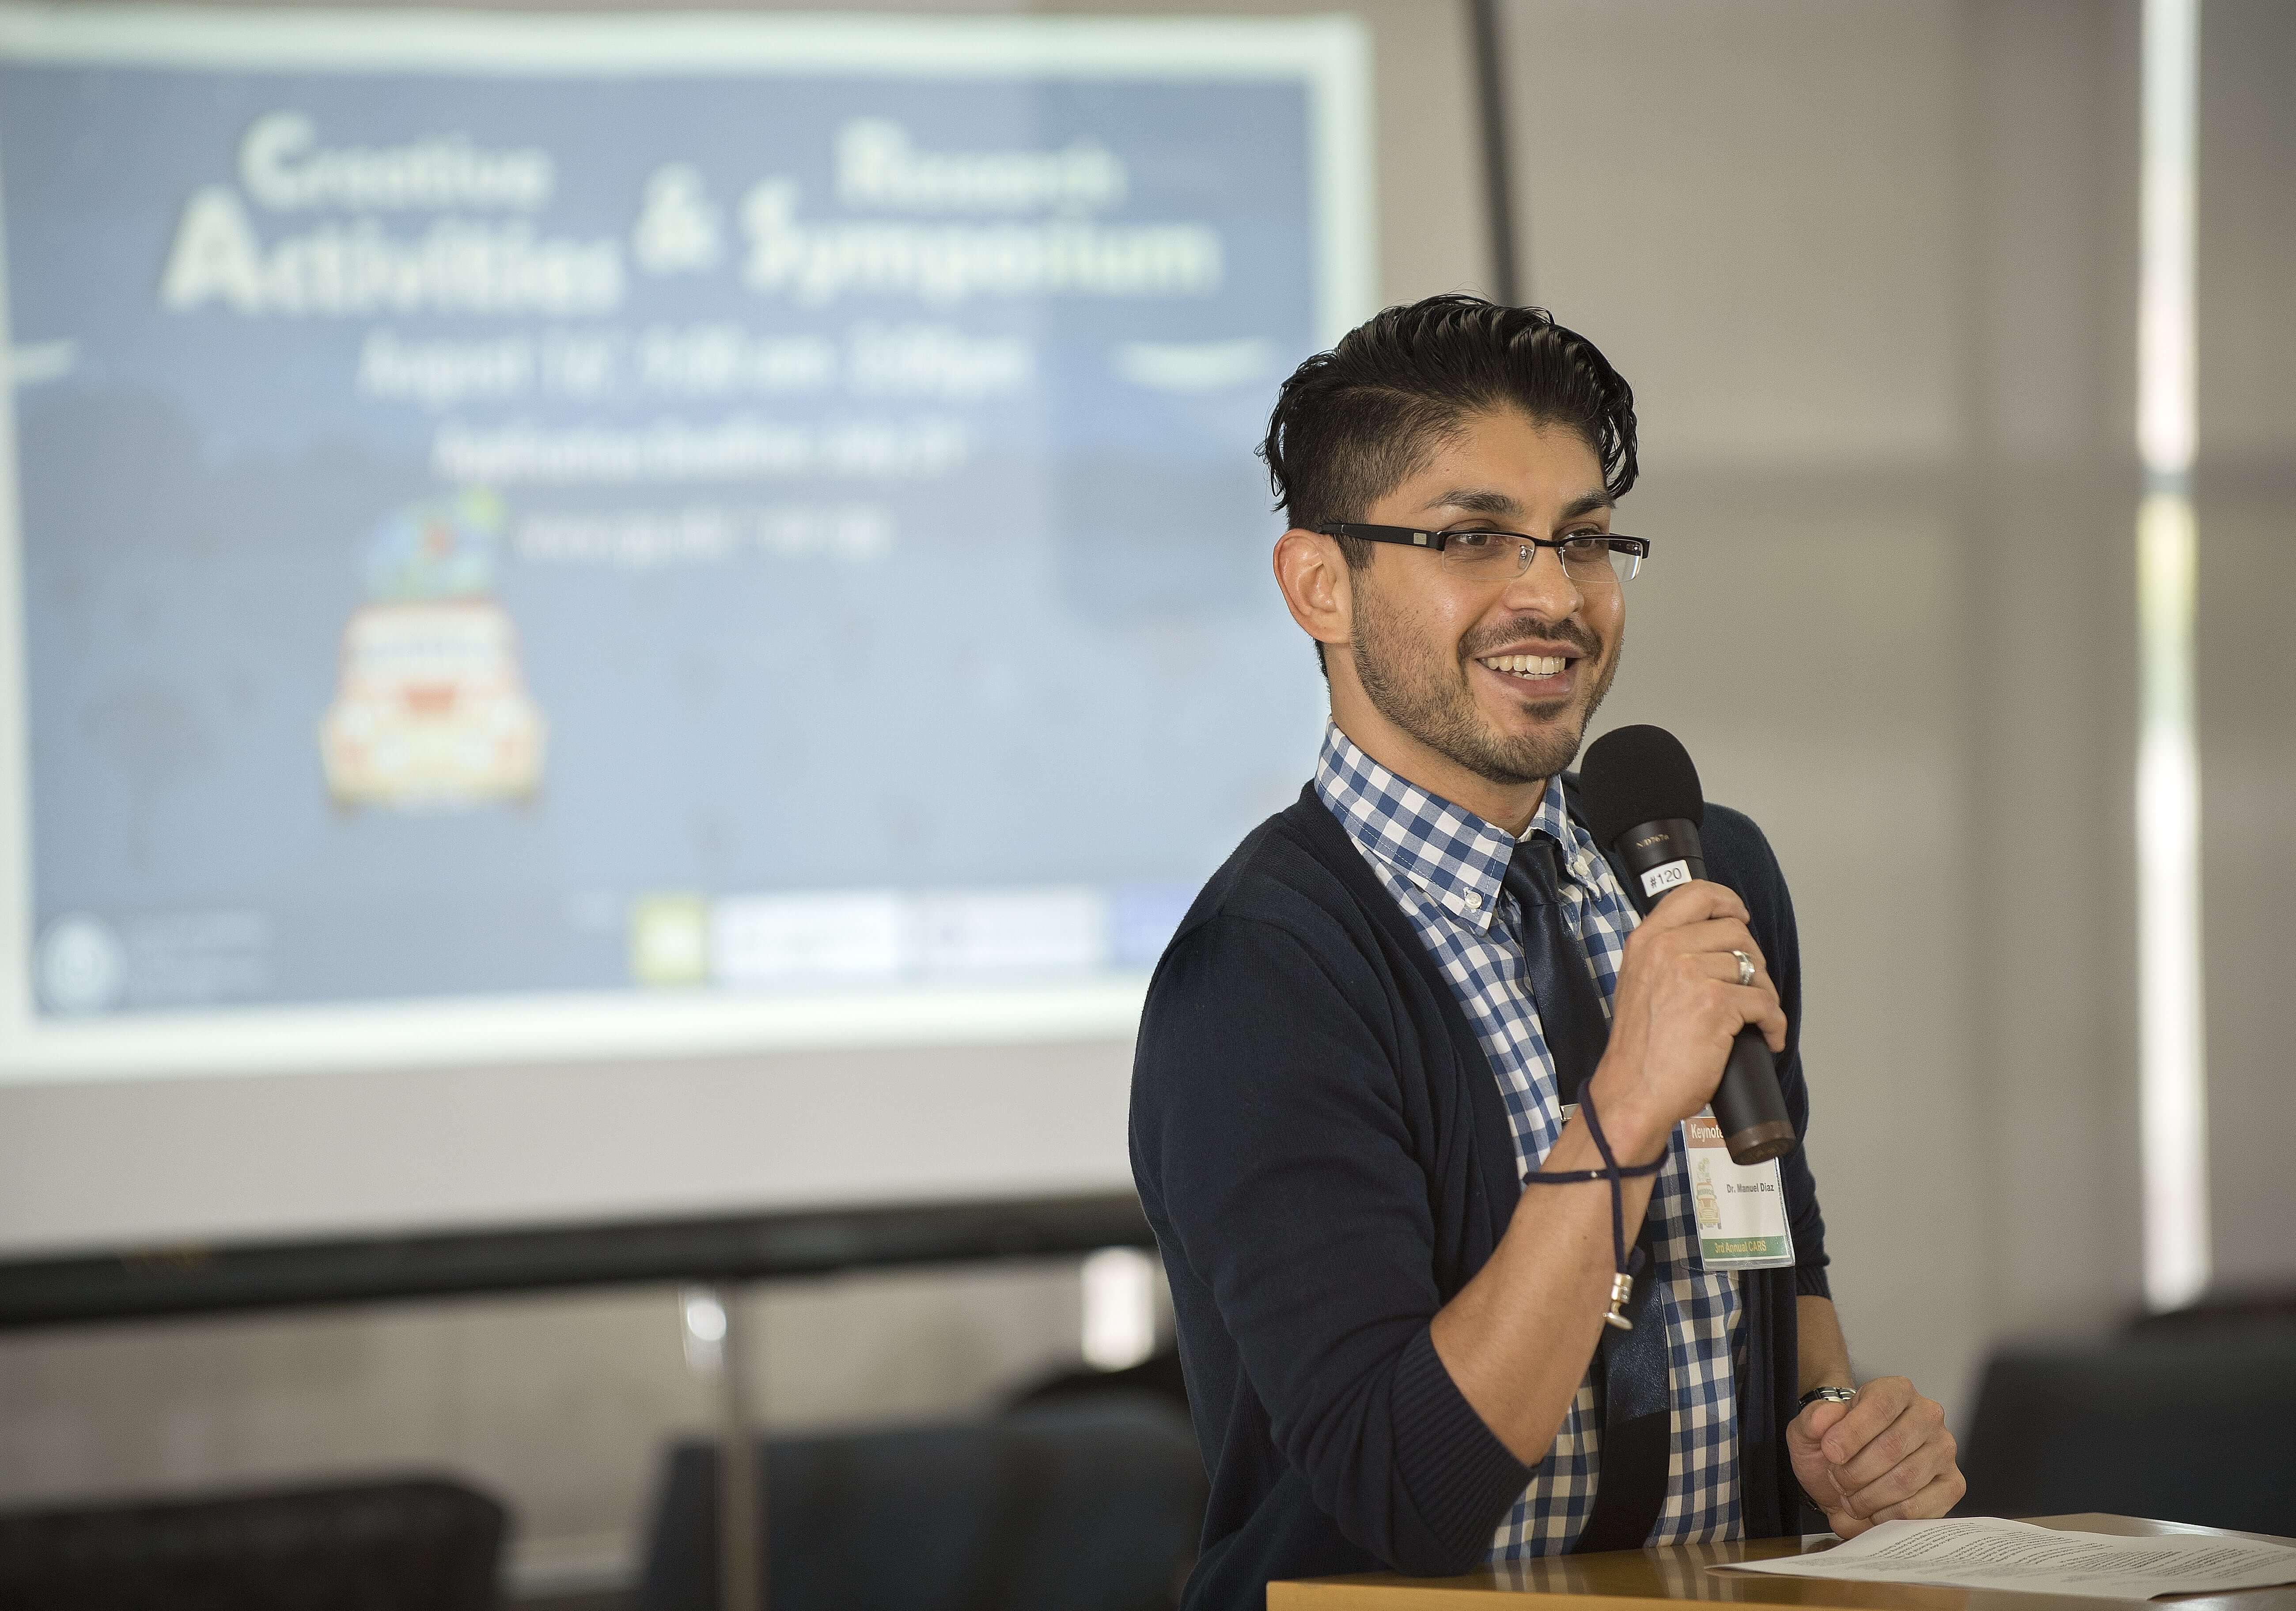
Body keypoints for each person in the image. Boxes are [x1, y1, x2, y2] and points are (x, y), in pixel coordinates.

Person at [1128, 296, 1964, 1610]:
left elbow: (1776, 1266)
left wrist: (1842, 1440)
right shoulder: (1265, 973)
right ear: (1320, 586)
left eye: (1582, 541)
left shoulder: (1701, 872)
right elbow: (1407, 1488)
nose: (1551, 596)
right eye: (1473, 538)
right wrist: (1626, 1102)